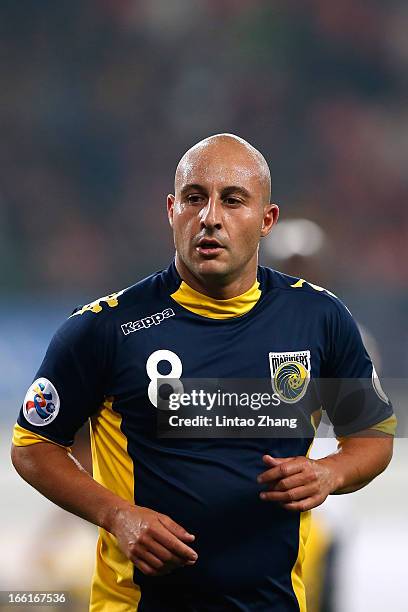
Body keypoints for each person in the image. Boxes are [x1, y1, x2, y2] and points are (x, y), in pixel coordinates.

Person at [11, 134, 396, 612]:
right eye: (194, 198)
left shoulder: (320, 318)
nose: (210, 217)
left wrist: (330, 472)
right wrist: (116, 514)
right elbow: (32, 447)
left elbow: (373, 437)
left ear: (266, 220)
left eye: (233, 201)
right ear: (171, 210)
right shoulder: (103, 328)